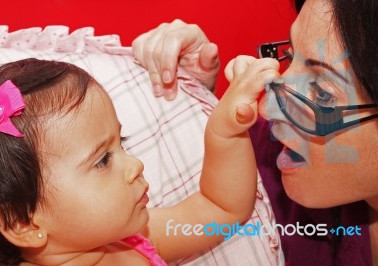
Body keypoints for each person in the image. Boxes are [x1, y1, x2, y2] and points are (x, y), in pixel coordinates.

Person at [132, 0, 378, 265]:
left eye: (322, 93)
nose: (266, 109)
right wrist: (195, 96)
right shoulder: (278, 159)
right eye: (291, 56)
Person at [0, 54, 279, 265]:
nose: (135, 165)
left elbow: (220, 209)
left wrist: (224, 131)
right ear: (23, 223)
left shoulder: (133, 240)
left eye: (120, 143)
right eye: (102, 161)